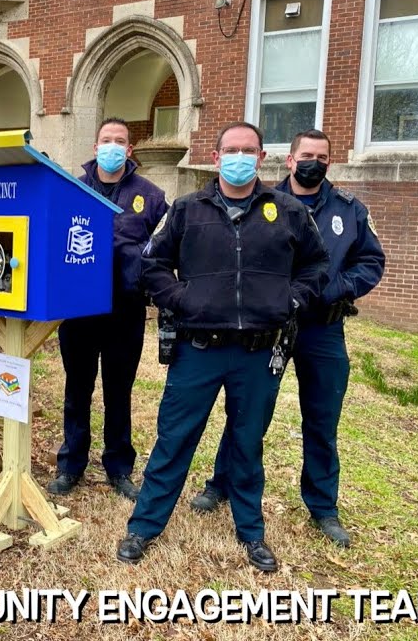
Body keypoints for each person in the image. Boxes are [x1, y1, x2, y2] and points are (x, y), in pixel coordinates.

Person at [116, 121, 329, 572]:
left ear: (262, 157)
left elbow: (316, 266)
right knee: (174, 440)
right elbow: (153, 264)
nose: (239, 157)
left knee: (247, 444)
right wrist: (180, 298)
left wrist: (291, 299)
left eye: (248, 150)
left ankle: (251, 533)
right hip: (199, 351)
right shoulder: (188, 209)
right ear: (216, 158)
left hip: (257, 352)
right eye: (231, 149)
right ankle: (144, 527)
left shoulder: (287, 211)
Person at [192, 129, 385, 548]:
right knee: (247, 413)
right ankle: (220, 483)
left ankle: (323, 507)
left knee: (321, 418)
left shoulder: (350, 210)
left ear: (329, 162)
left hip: (323, 329)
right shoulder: (263, 202)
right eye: (306, 154)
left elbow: (371, 262)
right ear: (289, 160)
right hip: (271, 329)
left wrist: (332, 290)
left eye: (322, 155)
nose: (314, 161)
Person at [47, 117, 169, 502]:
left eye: (120, 141)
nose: (113, 146)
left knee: (119, 391)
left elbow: (160, 251)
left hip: (125, 309)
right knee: (77, 388)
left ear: (129, 149)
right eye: (106, 140)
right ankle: (71, 464)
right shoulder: (73, 189)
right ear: (95, 147)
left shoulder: (151, 196)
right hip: (79, 310)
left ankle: (118, 467)